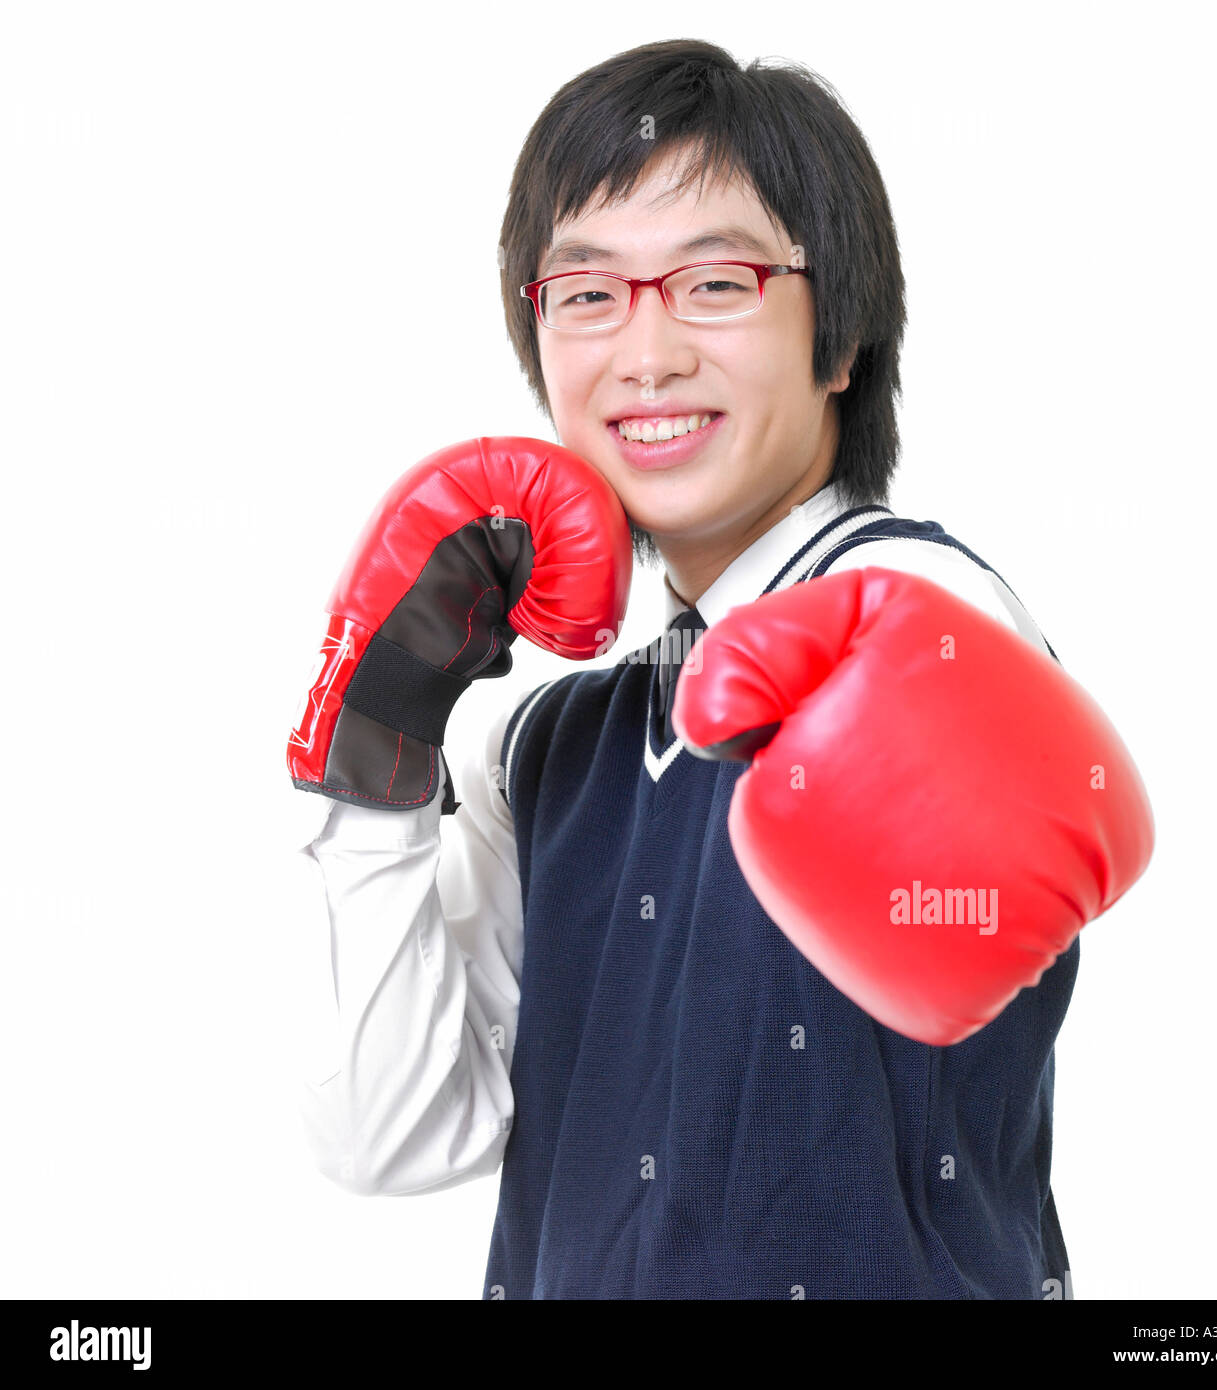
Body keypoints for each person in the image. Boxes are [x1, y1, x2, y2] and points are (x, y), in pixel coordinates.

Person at [286, 39, 1153, 1300]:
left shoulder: (927, 604)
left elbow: (980, 765)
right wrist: (380, 751)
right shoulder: (544, 743)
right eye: (587, 294)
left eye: (712, 282)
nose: (644, 356)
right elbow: (391, 1134)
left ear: (839, 336)